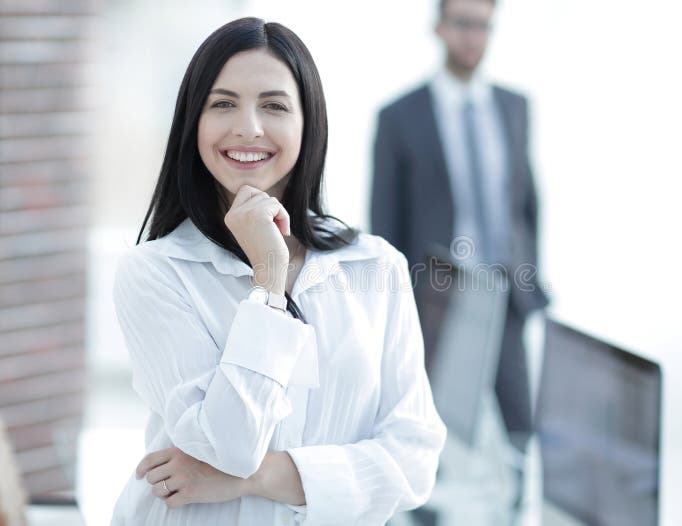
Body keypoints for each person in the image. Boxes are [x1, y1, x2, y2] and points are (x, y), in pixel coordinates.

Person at [110, 17, 446, 526]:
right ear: (192, 124)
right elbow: (228, 445)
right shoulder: (155, 273)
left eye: (274, 105)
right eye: (223, 104)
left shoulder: (376, 267)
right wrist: (269, 278)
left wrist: (260, 477)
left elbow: (414, 462)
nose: (249, 127)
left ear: (308, 123)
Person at [371, 0, 548, 451]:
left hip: (506, 290)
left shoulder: (514, 107)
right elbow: (385, 222)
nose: (474, 37)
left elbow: (527, 202)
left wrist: (531, 277)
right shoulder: (400, 117)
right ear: (439, 28)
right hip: (437, 297)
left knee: (521, 430)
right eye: (464, 24)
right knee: (424, 428)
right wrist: (399, 309)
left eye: (485, 26)